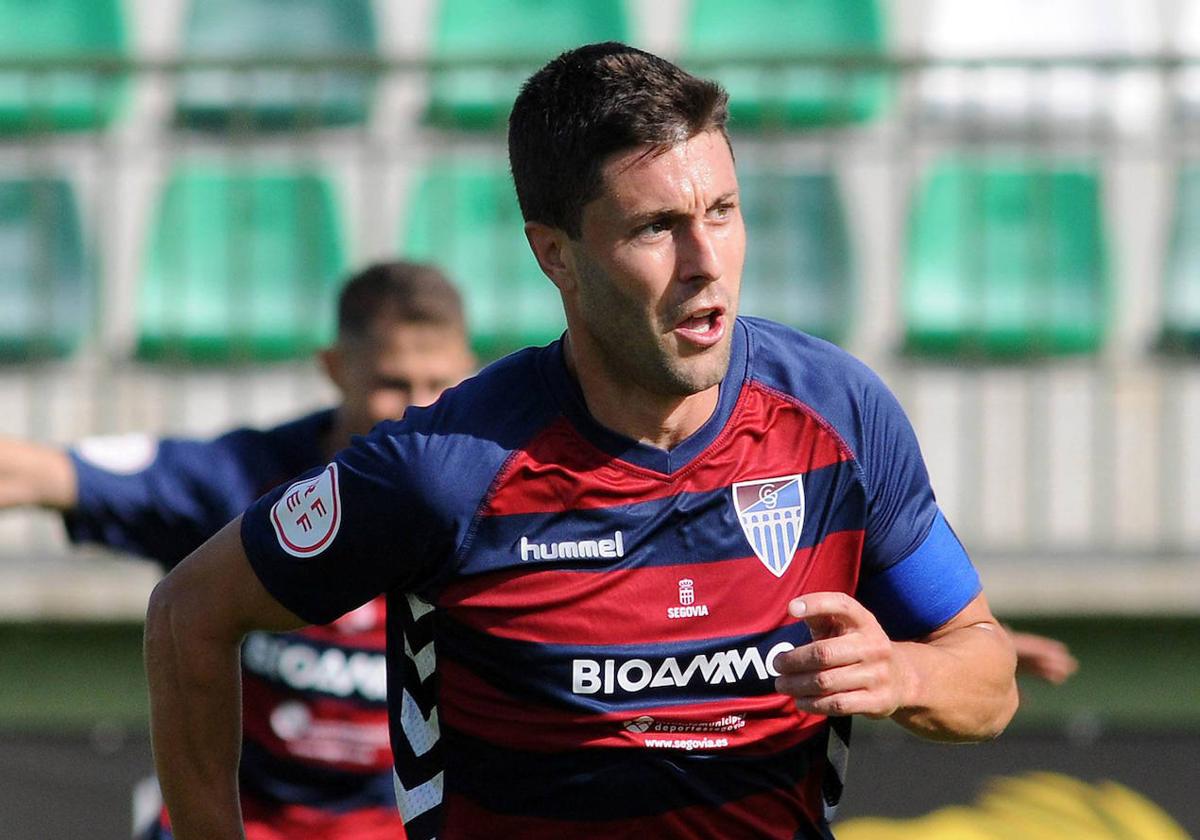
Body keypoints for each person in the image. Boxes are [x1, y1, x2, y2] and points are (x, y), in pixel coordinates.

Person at [144, 43, 1019, 840]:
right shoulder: (447, 467)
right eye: (655, 228)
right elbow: (189, 613)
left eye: (722, 210)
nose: (705, 258)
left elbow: (988, 670)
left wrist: (906, 676)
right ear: (555, 254)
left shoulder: (840, 414)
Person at [0, 260, 475, 839]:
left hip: (394, 824)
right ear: (336, 368)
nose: (417, 410)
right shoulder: (243, 480)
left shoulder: (490, 496)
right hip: (243, 819)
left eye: (439, 385)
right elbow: (37, 473)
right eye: (393, 384)